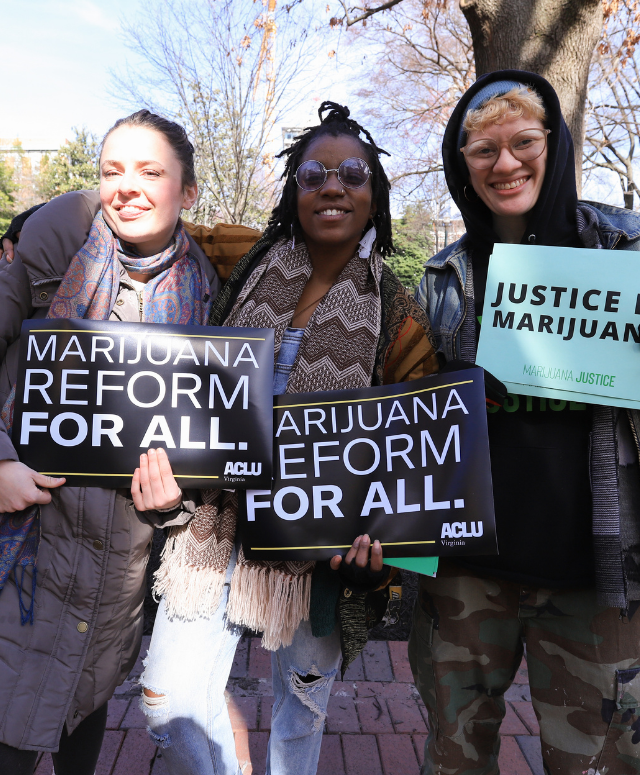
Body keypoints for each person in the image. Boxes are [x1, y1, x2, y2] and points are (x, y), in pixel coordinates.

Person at [411, 71, 640, 775]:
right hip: (464, 577)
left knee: (613, 764)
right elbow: (410, 417)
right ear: (462, 164)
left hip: (598, 576)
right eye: (481, 150)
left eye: (523, 143)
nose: (504, 164)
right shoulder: (443, 277)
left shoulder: (626, 253)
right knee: (453, 757)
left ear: (556, 145)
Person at [0, 110, 259, 775]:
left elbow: (209, 449)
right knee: (0, 748)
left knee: (81, 733)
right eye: (111, 170)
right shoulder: (43, 261)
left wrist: (174, 502)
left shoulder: (214, 302)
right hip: (20, 562)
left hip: (115, 582)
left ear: (187, 191)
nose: (127, 186)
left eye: (150, 171)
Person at [137, 101, 438, 775]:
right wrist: (44, 227)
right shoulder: (244, 259)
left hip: (320, 554)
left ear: (374, 195)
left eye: (352, 174)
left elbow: (415, 449)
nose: (332, 185)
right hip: (213, 526)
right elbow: (157, 224)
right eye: (314, 175)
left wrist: (383, 554)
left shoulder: (399, 313)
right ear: (293, 192)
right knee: (166, 702)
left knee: (299, 719)